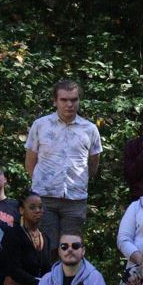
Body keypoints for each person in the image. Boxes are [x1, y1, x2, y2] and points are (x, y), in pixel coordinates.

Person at [24, 79, 103, 244]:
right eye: (64, 100)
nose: (69, 104)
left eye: (74, 100)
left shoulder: (90, 129)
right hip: (44, 197)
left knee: (71, 247)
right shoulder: (40, 125)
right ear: (55, 101)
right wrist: (43, 182)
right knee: (46, 246)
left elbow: (94, 163)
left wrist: (79, 180)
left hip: (75, 199)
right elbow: (30, 161)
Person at [0, 192, 54, 285]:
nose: (38, 211)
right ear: (22, 210)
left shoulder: (45, 237)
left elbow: (47, 269)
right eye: (32, 207)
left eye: (40, 207)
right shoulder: (13, 234)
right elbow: (13, 270)